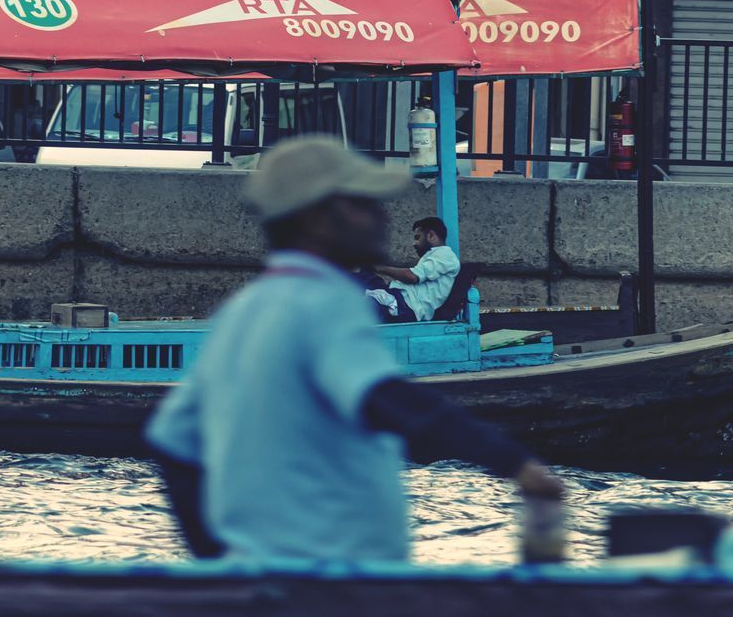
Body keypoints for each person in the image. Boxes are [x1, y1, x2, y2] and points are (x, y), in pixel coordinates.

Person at [145, 136, 563, 562]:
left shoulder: (241, 311)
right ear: (319, 218)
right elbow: (390, 401)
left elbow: (173, 444)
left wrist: (219, 560)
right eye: (364, 204)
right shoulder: (326, 302)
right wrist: (516, 464)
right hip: (334, 578)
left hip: (266, 578)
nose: (379, 217)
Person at [369, 216, 462, 323]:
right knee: (363, 280)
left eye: (417, 237)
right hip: (400, 299)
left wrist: (382, 268)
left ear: (431, 235)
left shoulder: (445, 255)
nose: (414, 243)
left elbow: (413, 277)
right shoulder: (433, 256)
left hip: (407, 306)